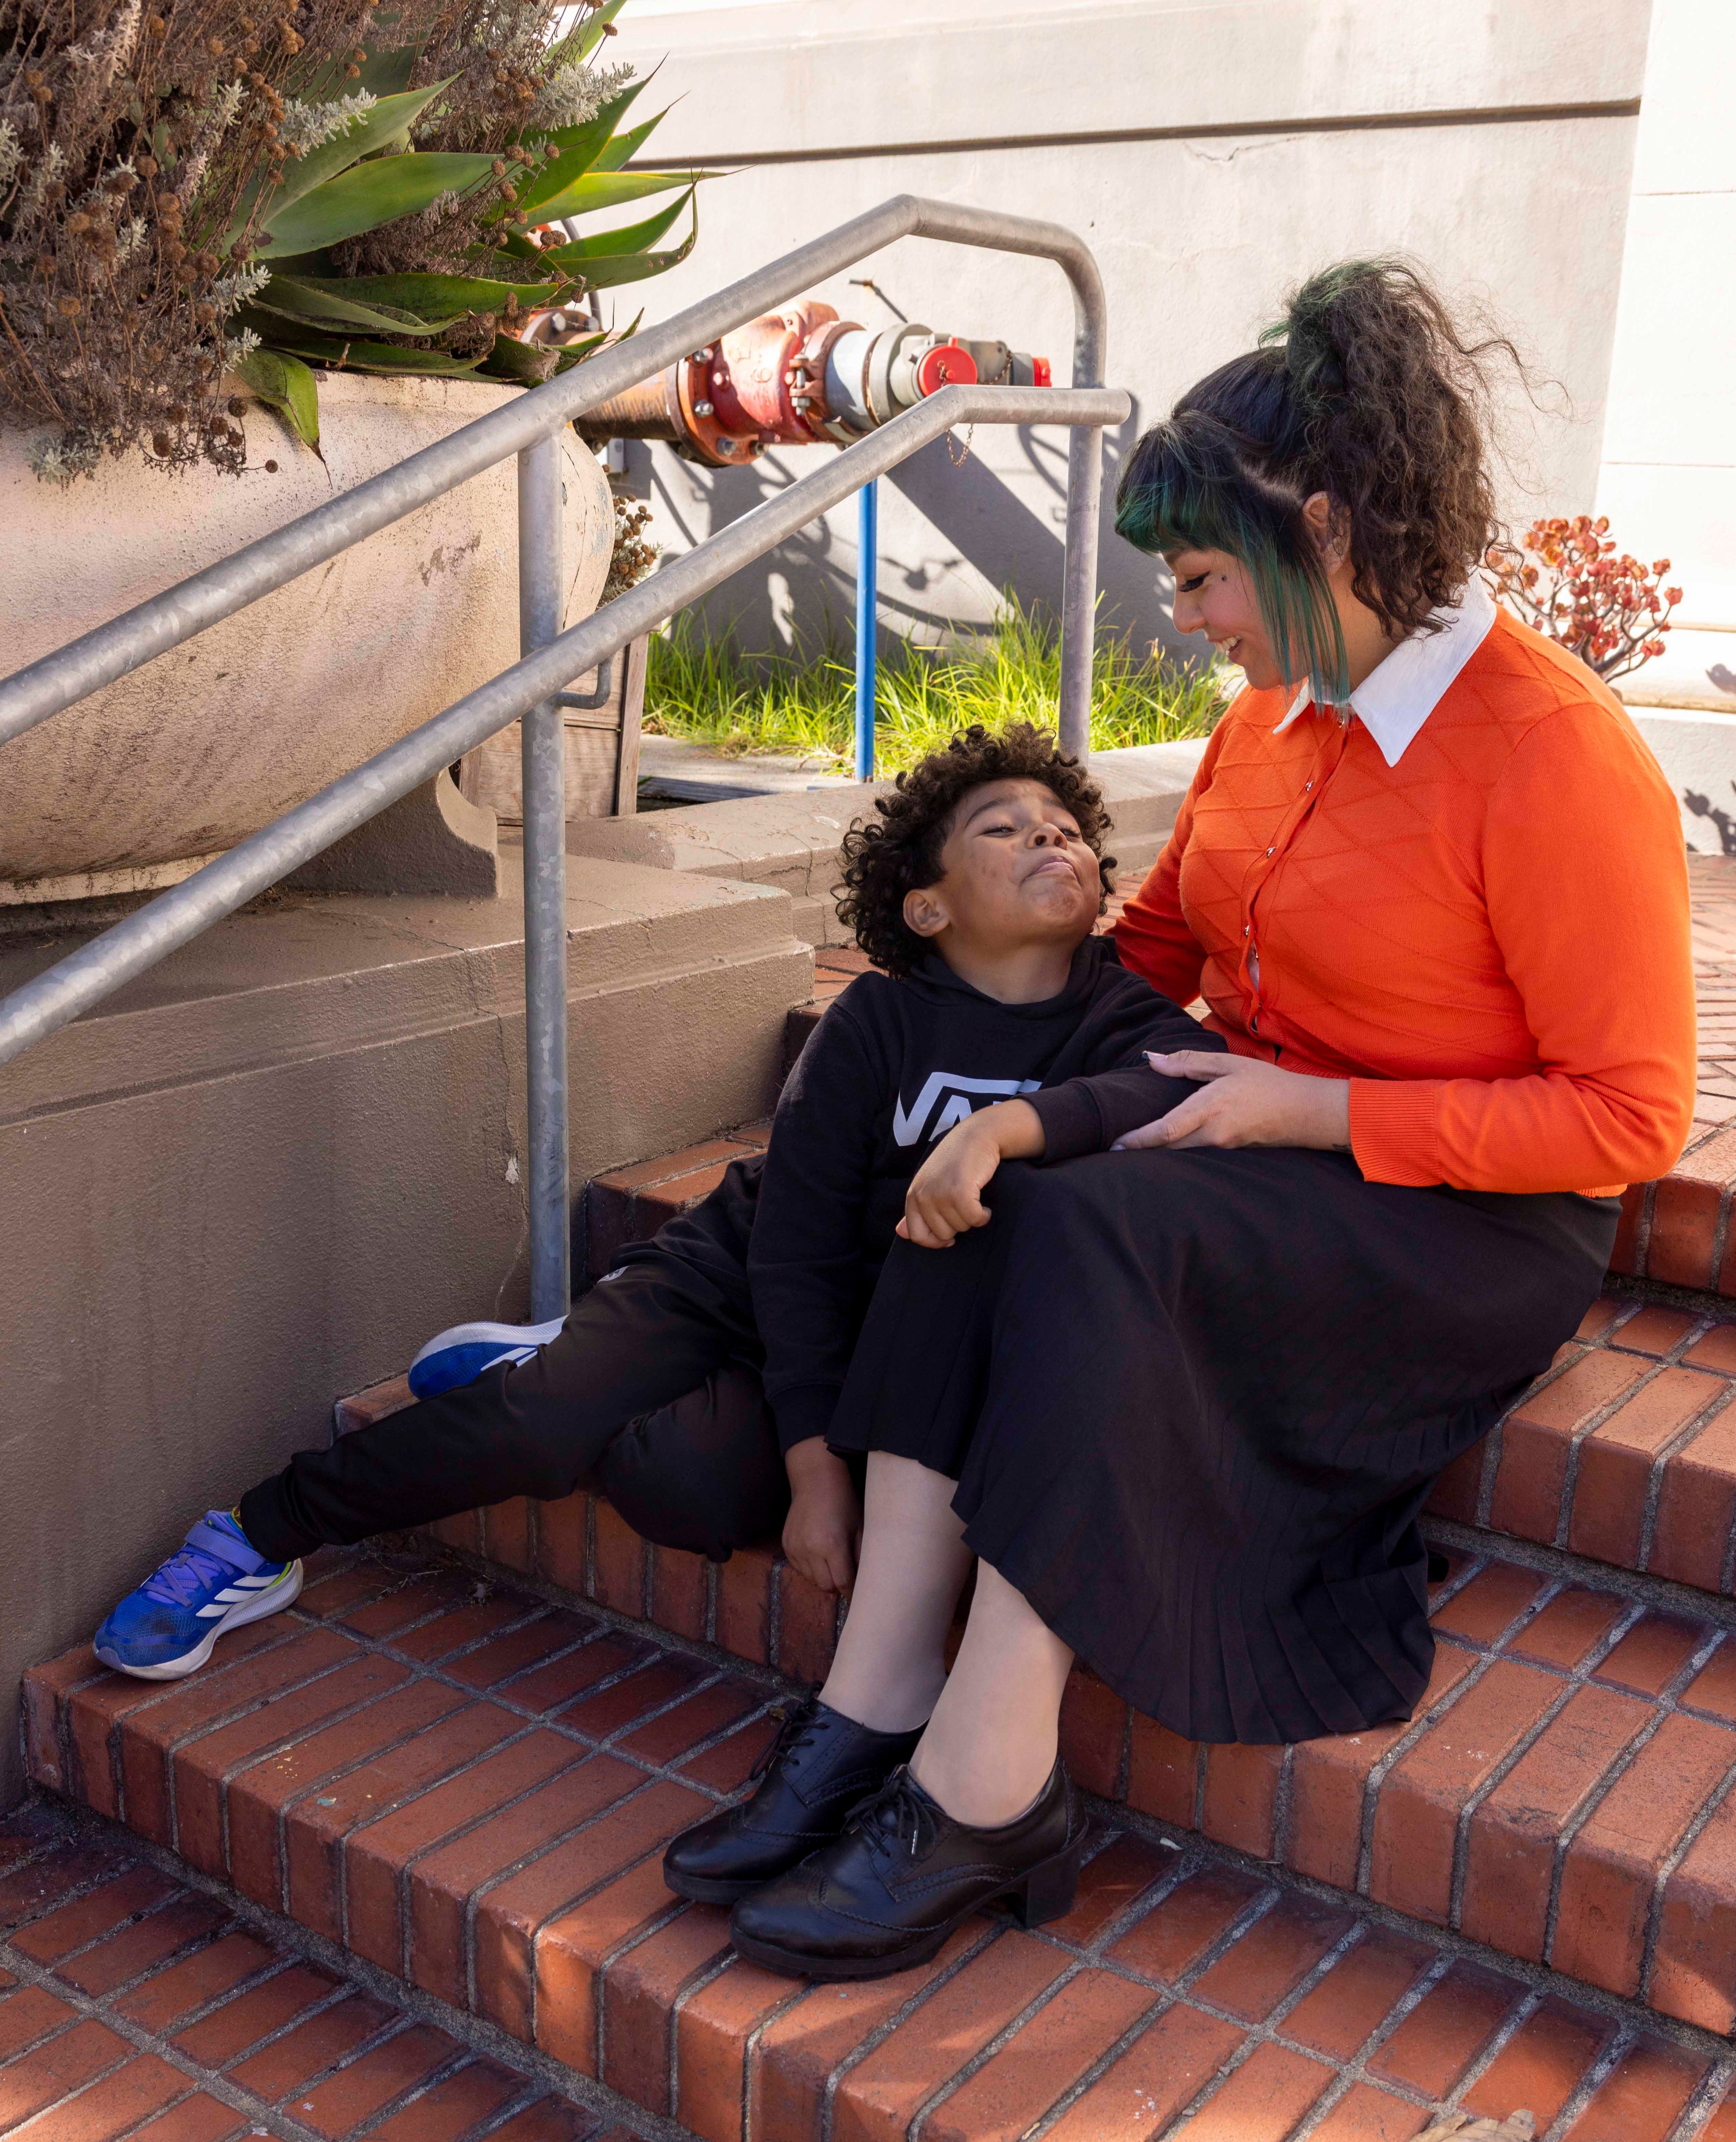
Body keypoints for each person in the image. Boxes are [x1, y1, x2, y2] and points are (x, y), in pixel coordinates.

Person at [694, 259, 1698, 1984]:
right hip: (1244, 1136)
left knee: (1090, 1230)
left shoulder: (1551, 752)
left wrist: (1311, 1109)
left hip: (1456, 1217)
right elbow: (1149, 953)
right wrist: (963, 1053)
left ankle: (989, 1782)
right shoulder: (1270, 726)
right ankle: (867, 1701)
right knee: (1013, 1194)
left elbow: (1632, 1116)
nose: (1189, 617)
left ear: (1321, 526)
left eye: (1204, 573)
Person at [90, 724, 1225, 1699]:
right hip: (739, 1276)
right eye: (1007, 827)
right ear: (925, 905)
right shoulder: (876, 1023)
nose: (1053, 838)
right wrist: (822, 1475)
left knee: (689, 1487)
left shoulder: (1124, 1020)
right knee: (542, 1432)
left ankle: (557, 1366)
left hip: (888, 1349)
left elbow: (1188, 1078)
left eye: (1069, 829)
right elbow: (799, 1252)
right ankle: (264, 1531)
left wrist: (1012, 1127)